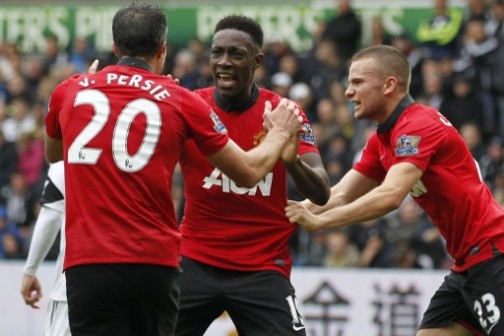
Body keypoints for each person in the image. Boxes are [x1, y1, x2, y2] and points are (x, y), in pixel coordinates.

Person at [43, 3, 301, 336]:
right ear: (162, 50)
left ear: (114, 46)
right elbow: (249, 172)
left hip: (88, 264)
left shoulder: (69, 91)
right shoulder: (181, 99)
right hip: (153, 263)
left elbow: (54, 154)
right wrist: (278, 134)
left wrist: (86, 89)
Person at [285, 44, 504, 336]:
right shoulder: (382, 140)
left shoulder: (418, 124)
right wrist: (288, 214)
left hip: (492, 254)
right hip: (467, 262)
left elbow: (390, 196)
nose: (349, 91)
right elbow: (339, 195)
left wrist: (321, 222)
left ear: (389, 85)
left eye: (358, 82)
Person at [175, 15, 330, 336]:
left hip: (262, 267)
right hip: (195, 259)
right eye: (217, 53)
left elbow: (322, 192)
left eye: (236, 54)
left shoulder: (284, 114)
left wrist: (292, 162)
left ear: (258, 60)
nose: (224, 63)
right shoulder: (190, 107)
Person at [20, 161, 69, 336]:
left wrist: (30, 271)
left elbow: (50, 216)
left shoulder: (68, 160)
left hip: (77, 280)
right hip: (143, 273)